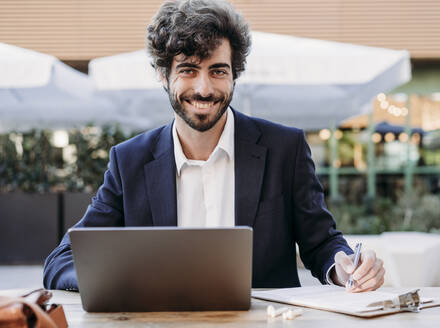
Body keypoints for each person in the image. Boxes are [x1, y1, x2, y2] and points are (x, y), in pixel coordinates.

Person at [43, 0, 385, 292]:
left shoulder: (286, 148)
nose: (204, 88)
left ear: (234, 74)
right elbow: (61, 261)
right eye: (188, 71)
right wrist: (108, 280)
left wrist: (345, 268)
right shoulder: (128, 161)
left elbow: (322, 243)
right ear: (164, 75)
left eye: (218, 71)